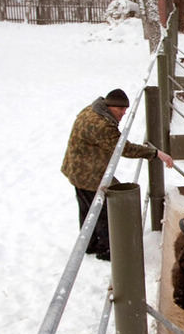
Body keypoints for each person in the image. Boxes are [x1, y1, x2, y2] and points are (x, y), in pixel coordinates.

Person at [62, 88, 174, 260]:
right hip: (88, 174)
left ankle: (90, 244)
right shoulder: (102, 125)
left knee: (87, 208)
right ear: (110, 106)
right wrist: (155, 153)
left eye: (125, 110)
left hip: (77, 168)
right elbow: (124, 148)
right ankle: (107, 250)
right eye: (120, 109)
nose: (123, 113)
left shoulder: (93, 110)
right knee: (105, 212)